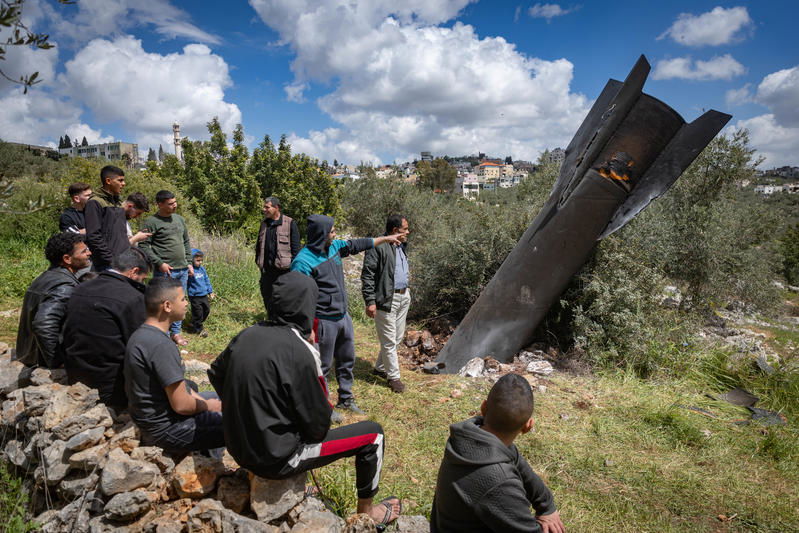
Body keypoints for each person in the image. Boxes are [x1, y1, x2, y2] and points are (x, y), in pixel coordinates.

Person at [208, 272, 401, 527]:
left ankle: (294, 487)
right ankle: (367, 513)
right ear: (307, 306)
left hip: (238, 446)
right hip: (276, 458)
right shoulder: (299, 350)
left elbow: (215, 373)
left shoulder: (247, 334)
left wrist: (245, 410)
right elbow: (319, 427)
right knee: (373, 435)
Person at [290, 215, 402, 416]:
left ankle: (346, 398)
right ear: (322, 234)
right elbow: (298, 299)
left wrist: (385, 239)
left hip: (343, 317)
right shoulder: (302, 261)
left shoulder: (334, 248)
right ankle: (322, 407)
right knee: (321, 366)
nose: (335, 234)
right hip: (322, 321)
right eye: (332, 231)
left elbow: (359, 244)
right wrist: (306, 328)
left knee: (346, 360)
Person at [431, 374, 565, 533]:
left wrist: (546, 506)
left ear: (483, 408)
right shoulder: (498, 481)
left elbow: (520, 465)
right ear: (528, 426)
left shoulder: (469, 438)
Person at [125, 277, 224, 453]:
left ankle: (207, 458)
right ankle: (213, 469)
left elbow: (180, 385)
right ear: (167, 306)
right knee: (240, 423)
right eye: (183, 299)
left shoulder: (141, 334)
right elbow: (182, 405)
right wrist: (209, 406)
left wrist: (204, 401)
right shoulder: (160, 344)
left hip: (152, 421)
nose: (186, 303)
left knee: (218, 397)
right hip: (167, 431)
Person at [62, 247, 150, 410]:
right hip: (112, 387)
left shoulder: (80, 288)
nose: (142, 283)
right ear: (134, 271)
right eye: (142, 279)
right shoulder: (132, 297)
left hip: (76, 377)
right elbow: (141, 347)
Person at [15, 233, 92, 368]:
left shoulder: (45, 276)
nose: (89, 253)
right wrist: (57, 362)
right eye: (84, 251)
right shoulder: (64, 286)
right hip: (39, 361)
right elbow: (43, 324)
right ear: (67, 259)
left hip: (29, 355)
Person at [361, 215, 411, 393]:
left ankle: (380, 368)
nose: (407, 232)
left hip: (403, 296)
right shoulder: (378, 246)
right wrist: (370, 301)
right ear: (394, 230)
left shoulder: (401, 245)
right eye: (405, 229)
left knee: (396, 338)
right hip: (386, 299)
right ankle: (394, 378)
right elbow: (367, 274)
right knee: (389, 341)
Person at [139, 190, 193, 346]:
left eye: (175, 202)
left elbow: (186, 242)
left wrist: (189, 262)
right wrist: (159, 263)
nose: (174, 206)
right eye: (170, 204)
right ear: (160, 204)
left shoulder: (179, 220)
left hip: (182, 268)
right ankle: (163, 333)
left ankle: (176, 334)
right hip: (165, 271)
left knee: (179, 302)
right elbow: (144, 245)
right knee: (163, 303)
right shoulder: (151, 222)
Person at [255, 196, 301, 311]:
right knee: (267, 295)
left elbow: (296, 249)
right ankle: (271, 320)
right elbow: (258, 246)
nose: (264, 210)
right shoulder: (264, 224)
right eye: (264, 207)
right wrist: (258, 261)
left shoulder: (289, 223)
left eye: (267, 207)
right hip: (266, 270)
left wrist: (294, 270)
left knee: (284, 298)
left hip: (284, 271)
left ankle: (283, 322)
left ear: (276, 207)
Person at [84, 165, 128, 271]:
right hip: (107, 265)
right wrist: (110, 260)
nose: (123, 184)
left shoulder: (117, 202)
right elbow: (94, 236)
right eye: (120, 180)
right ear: (108, 181)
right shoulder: (95, 202)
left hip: (123, 261)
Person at [186, 248, 215, 337]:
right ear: (191, 260)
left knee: (206, 310)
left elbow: (207, 280)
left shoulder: (202, 269)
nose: (200, 262)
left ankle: (194, 323)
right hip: (194, 295)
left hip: (204, 294)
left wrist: (210, 291)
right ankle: (199, 329)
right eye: (198, 260)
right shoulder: (189, 270)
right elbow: (184, 281)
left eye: (201, 260)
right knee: (198, 312)